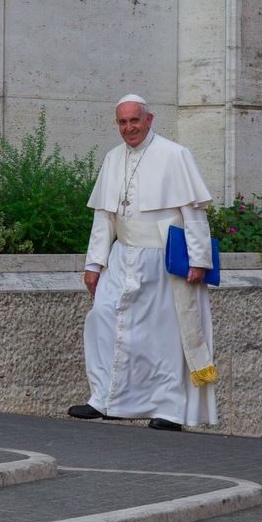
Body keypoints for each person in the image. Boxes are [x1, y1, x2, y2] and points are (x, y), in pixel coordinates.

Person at [68, 94, 217, 432]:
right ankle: (103, 399)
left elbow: (193, 213)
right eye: (122, 122)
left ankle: (169, 409)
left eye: (135, 120)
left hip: (162, 260)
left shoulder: (175, 155)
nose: (129, 128)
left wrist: (198, 259)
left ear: (149, 120)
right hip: (122, 257)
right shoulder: (112, 157)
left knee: (163, 337)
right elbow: (104, 217)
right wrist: (94, 264)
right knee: (103, 318)